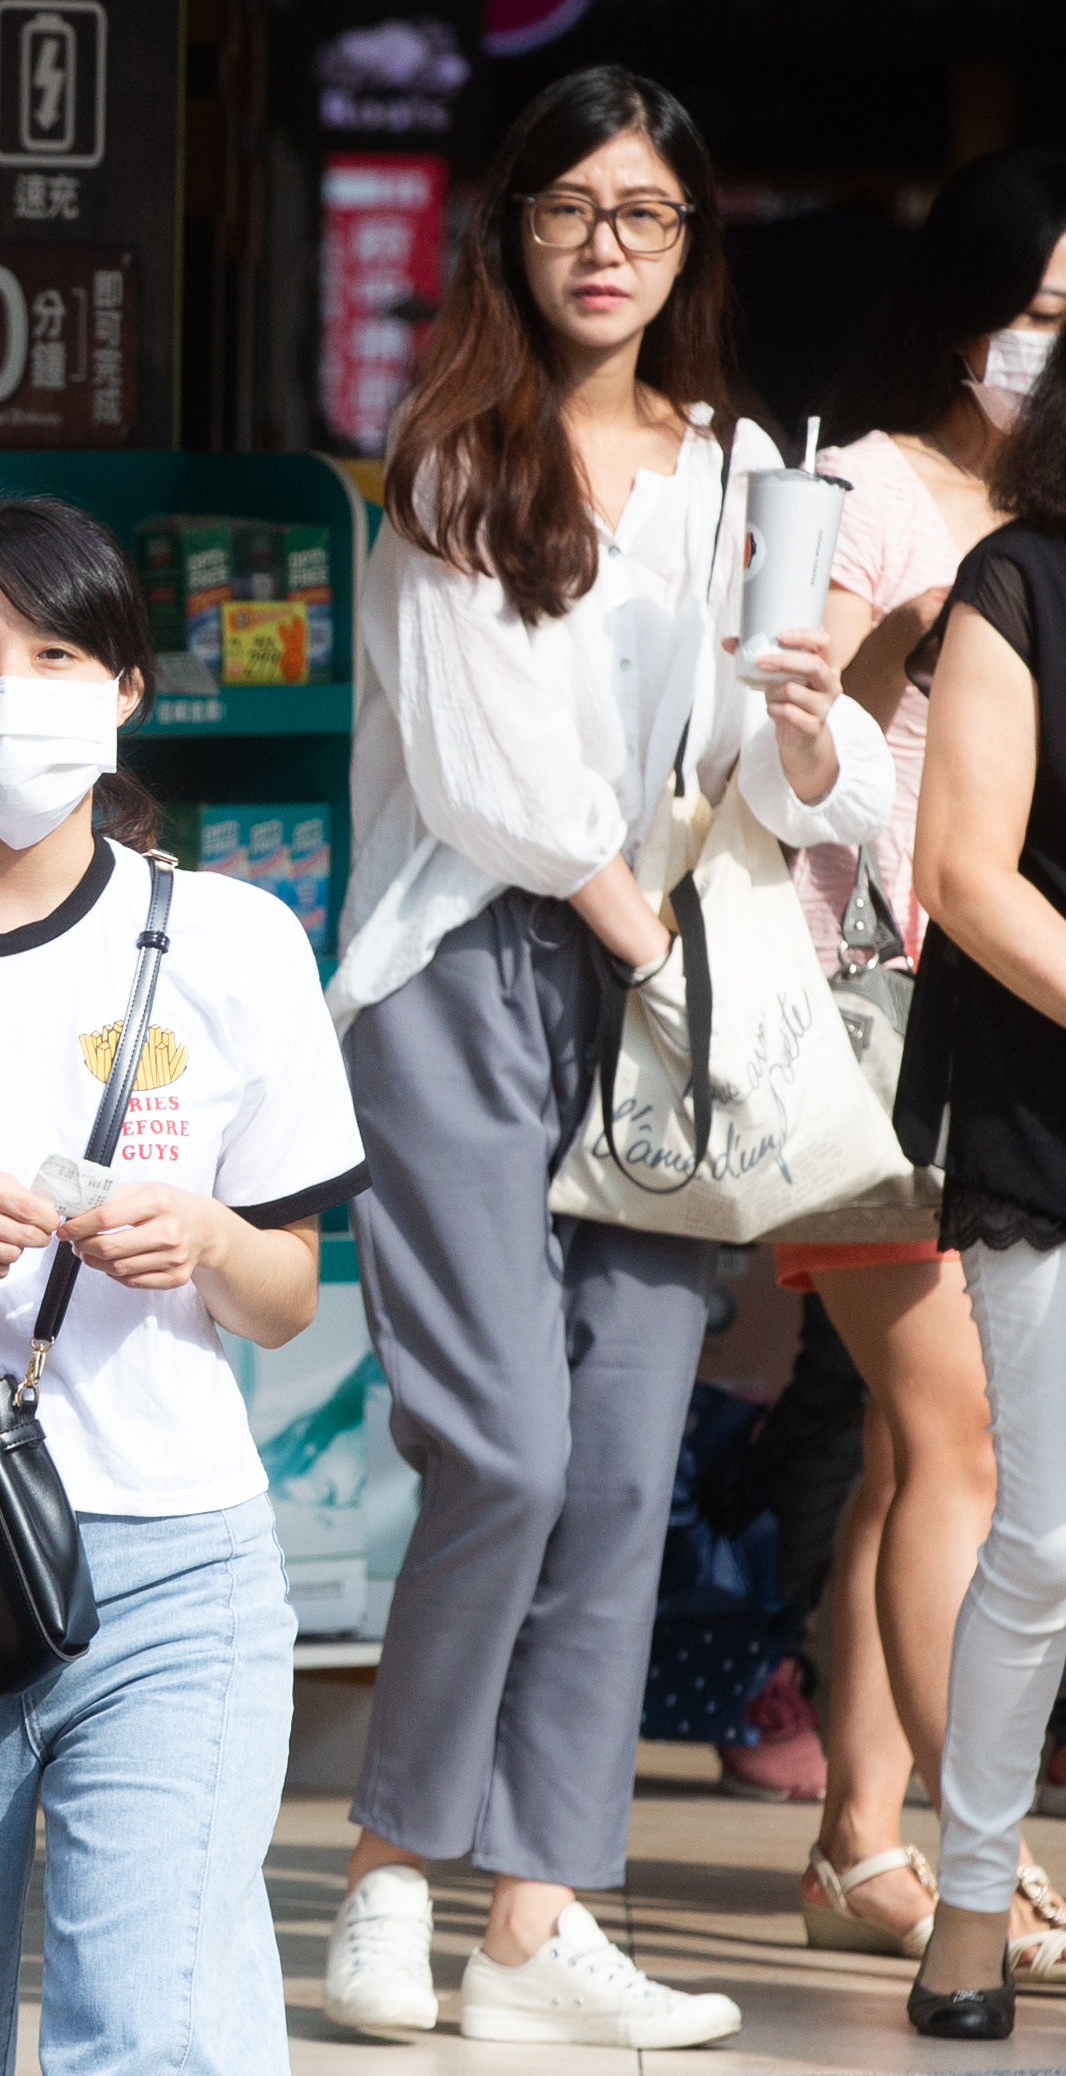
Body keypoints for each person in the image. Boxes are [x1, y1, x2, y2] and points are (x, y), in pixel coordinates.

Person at [315, 66, 892, 2048]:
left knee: (623, 1460)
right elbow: (490, 789)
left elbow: (765, 781)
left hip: (654, 987)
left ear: (687, 245)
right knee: (506, 1449)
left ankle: (530, 1923)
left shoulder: (740, 474)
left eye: (639, 214)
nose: (600, 247)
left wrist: (806, 726)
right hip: (473, 973)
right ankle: (393, 1874)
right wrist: (669, 963)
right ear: (510, 230)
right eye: (566, 208)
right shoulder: (453, 459)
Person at [0, 497, 363, 2075]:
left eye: (54, 653)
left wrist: (204, 1238)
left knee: (165, 2035)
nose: (9, 690)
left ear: (126, 687)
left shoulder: (236, 939)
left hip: (180, 1565)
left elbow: (285, 1292)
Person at [788, 146, 1066, 1969]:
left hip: (970, 1029)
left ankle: (855, 1836)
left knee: (910, 1454)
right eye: (1032, 312)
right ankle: (986, 1874)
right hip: (852, 1009)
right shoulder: (856, 492)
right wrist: (895, 644)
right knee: (958, 1436)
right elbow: (773, 759)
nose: (1048, 349)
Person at [897, 346, 1066, 2039]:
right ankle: (967, 1901)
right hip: (1047, 1106)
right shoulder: (1013, 580)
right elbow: (962, 868)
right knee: (1047, 1538)